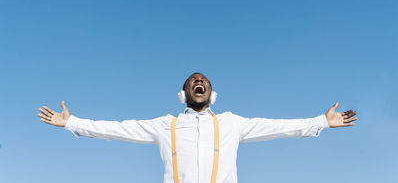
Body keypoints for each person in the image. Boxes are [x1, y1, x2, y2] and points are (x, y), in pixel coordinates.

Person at [37, 72, 358, 183]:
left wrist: (321, 122)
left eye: (203, 80)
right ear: (184, 94)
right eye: (193, 80)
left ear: (212, 93)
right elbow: (118, 129)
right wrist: (73, 122)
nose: (199, 81)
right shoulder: (167, 125)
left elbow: (279, 127)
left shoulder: (232, 123)